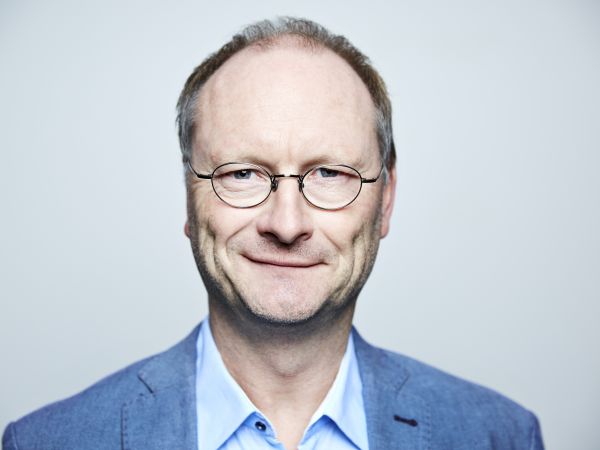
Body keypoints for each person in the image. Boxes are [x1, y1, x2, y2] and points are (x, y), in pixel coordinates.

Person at [2, 17, 544, 450]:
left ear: (385, 201)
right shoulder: (45, 443)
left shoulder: (500, 437)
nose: (286, 224)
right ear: (189, 196)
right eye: (242, 174)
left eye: (330, 173)